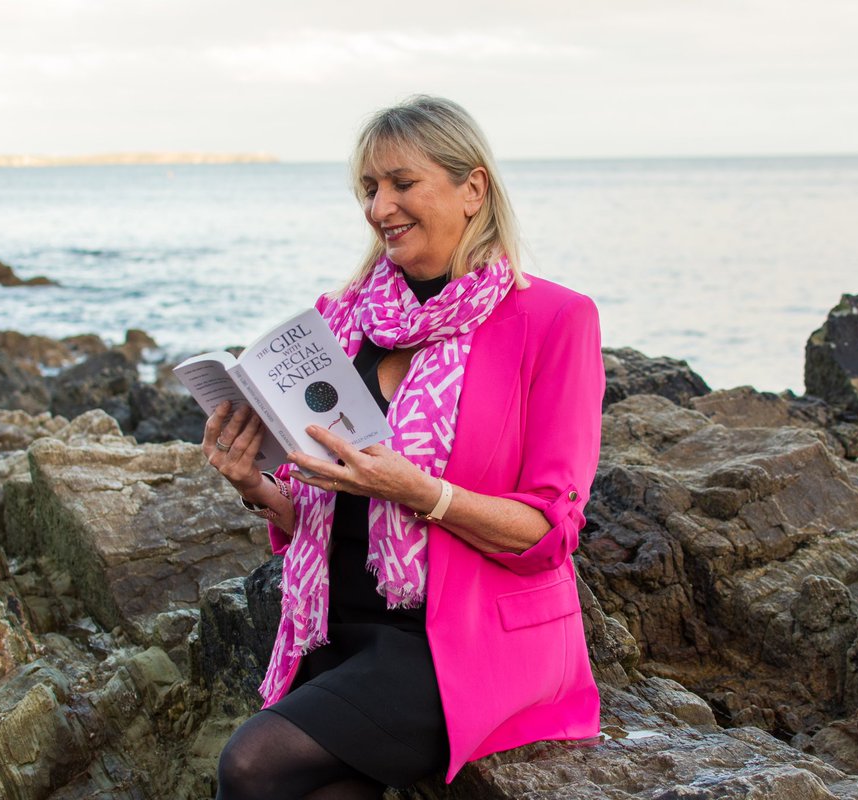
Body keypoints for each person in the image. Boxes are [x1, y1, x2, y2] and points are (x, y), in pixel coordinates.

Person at [204, 95, 604, 800]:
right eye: (369, 188)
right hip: (336, 628)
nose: (379, 207)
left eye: (401, 183)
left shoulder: (554, 319)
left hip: (463, 645)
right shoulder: (340, 321)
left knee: (250, 764)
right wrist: (253, 484)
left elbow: (551, 531)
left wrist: (420, 492)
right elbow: (329, 509)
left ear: (472, 188)